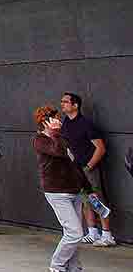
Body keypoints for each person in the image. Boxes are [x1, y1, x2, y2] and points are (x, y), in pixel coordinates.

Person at [37, 104, 90, 271]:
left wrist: (88, 189)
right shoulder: (40, 140)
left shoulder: (62, 138)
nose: (57, 121)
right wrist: (55, 134)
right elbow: (58, 152)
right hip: (56, 192)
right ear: (44, 123)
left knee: (72, 234)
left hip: (74, 190)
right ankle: (57, 265)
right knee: (75, 233)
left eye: (57, 117)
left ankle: (74, 267)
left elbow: (74, 164)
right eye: (53, 119)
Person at [61, 92, 117, 247]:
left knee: (96, 199)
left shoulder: (86, 124)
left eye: (65, 102)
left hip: (89, 168)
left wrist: (89, 166)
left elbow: (100, 148)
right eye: (62, 101)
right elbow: (67, 146)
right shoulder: (65, 123)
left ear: (75, 105)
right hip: (76, 169)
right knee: (85, 201)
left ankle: (107, 235)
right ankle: (92, 233)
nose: (62, 104)